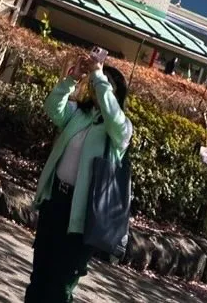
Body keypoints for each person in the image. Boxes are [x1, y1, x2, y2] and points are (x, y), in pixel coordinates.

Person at [25, 50, 133, 303]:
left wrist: (98, 75)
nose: (97, 89)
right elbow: (52, 108)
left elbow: (114, 117)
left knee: (60, 286)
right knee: (40, 276)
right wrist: (70, 80)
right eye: (95, 84)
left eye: (104, 85)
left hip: (84, 217)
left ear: (114, 95)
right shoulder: (78, 115)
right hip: (56, 204)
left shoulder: (120, 129)